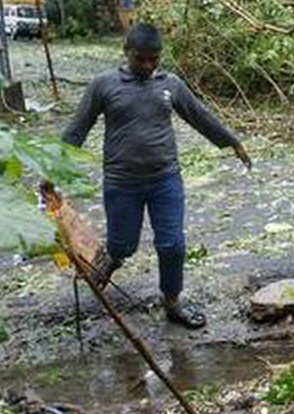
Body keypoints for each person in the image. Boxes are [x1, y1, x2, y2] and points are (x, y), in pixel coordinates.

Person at [62, 23, 251, 328]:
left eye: (154, 59)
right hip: (122, 182)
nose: (148, 66)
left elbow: (199, 115)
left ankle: (172, 302)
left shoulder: (171, 84)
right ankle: (110, 261)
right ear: (126, 53)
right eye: (140, 59)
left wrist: (232, 142)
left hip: (165, 180)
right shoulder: (103, 84)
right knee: (123, 245)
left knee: (172, 245)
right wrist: (53, 171)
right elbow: (77, 128)